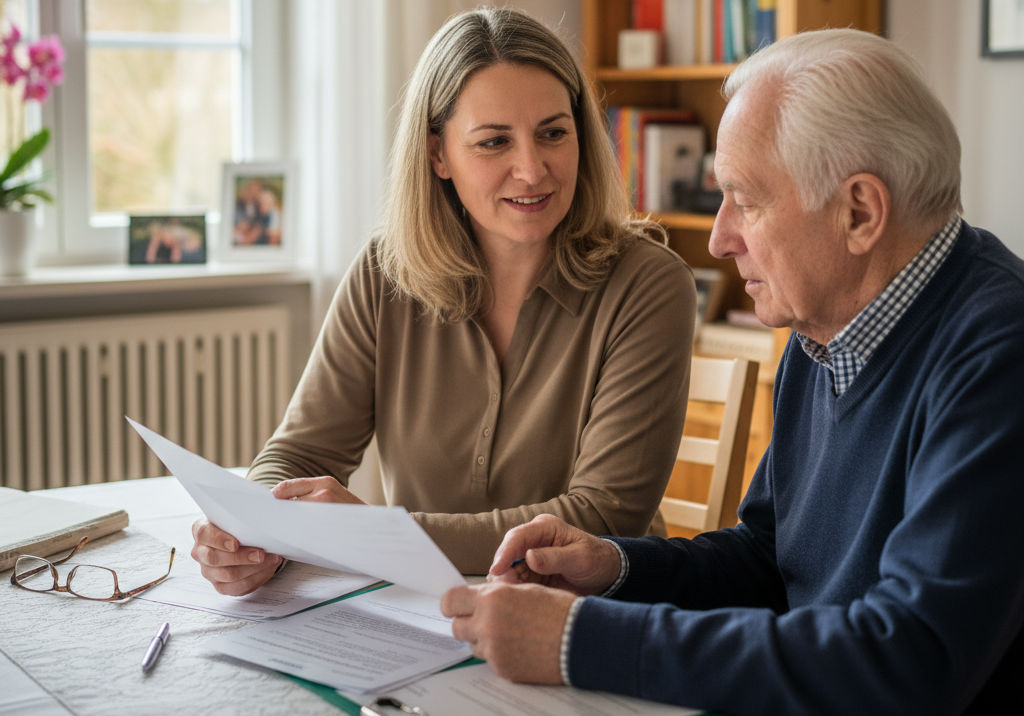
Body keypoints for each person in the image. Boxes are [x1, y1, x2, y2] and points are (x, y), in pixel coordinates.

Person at [441, 28, 1024, 715]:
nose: (719, 238)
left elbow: (912, 659)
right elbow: (768, 561)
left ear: (859, 211)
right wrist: (616, 568)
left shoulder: (999, 353)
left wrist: (583, 640)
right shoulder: (829, 323)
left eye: (744, 200)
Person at [190, 8, 695, 591]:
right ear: (437, 155)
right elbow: (299, 456)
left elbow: (602, 516)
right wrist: (251, 531)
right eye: (494, 141)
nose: (531, 169)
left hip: (585, 620)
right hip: (420, 614)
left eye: (554, 132)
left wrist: (377, 535)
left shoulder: (651, 284)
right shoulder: (384, 273)